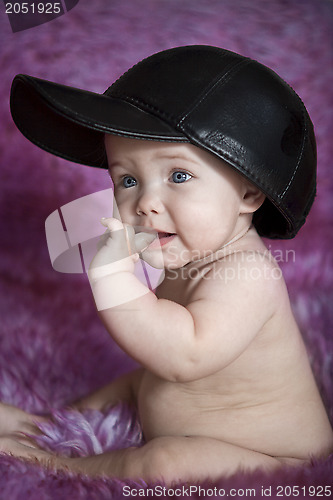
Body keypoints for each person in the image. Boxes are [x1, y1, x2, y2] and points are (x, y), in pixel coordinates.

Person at [1, 46, 332, 483]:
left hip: (268, 454)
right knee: (137, 383)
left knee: (165, 464)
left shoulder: (248, 274)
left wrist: (113, 277)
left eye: (179, 176)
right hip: (183, 408)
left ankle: (57, 465)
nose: (145, 203)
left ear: (250, 194)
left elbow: (182, 357)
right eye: (128, 180)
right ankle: (46, 426)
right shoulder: (196, 250)